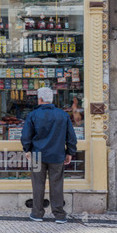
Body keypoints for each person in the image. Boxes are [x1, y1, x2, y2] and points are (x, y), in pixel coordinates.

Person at [21, 87, 77, 224]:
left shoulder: (33, 115)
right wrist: (70, 152)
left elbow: (26, 136)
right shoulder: (63, 115)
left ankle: (37, 213)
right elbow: (71, 137)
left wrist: (27, 149)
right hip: (57, 155)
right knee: (57, 184)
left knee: (37, 185)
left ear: (40, 99)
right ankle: (59, 215)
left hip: (36, 155)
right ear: (51, 99)